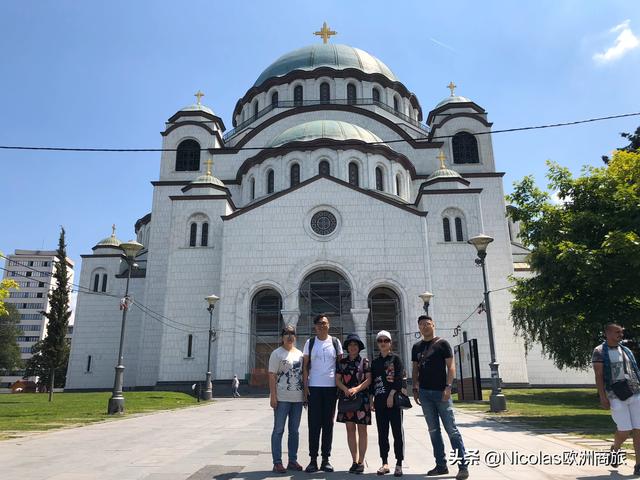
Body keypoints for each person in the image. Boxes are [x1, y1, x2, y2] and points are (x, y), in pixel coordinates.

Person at [412, 315, 468, 480]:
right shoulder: (416, 347)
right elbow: (415, 369)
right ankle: (441, 465)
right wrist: (415, 387)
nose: (424, 327)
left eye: (427, 324)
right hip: (424, 393)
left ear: (433, 325)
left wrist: (448, 387)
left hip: (441, 393)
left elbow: (451, 367)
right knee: (433, 431)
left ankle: (463, 466)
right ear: (419, 328)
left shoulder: (443, 344)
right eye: (421, 324)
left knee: (451, 430)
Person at [593, 323, 640, 475]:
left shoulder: (625, 349)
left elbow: (634, 370)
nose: (620, 334)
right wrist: (602, 396)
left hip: (635, 392)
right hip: (615, 395)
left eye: (621, 332)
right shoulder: (599, 351)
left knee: (638, 429)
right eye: (617, 332)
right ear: (607, 333)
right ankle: (616, 449)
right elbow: (599, 375)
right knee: (625, 430)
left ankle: (638, 464)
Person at [302, 313, 343, 473]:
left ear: (329, 325)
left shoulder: (335, 342)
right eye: (319, 323)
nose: (322, 325)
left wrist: (340, 386)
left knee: (328, 424)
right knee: (314, 424)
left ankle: (326, 459)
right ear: (315, 326)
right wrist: (306, 387)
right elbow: (305, 366)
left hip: (331, 389)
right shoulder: (310, 343)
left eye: (324, 323)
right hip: (314, 388)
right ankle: (313, 460)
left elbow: (340, 364)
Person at [268, 325, 305, 474]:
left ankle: (292, 460)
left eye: (292, 333)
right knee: (278, 430)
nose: (289, 336)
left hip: (298, 399)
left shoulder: (300, 354)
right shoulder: (276, 354)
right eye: (286, 333)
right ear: (282, 336)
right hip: (282, 398)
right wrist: (273, 396)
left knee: (294, 431)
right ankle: (277, 462)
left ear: (295, 336)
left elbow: (304, 374)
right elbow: (271, 375)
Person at [336, 333, 372, 474]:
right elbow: (337, 380)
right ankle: (354, 461)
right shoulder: (342, 363)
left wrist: (356, 388)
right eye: (350, 345)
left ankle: (361, 462)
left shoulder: (365, 362)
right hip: (347, 399)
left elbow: (368, 379)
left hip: (362, 399)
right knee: (350, 430)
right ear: (347, 347)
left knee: (362, 430)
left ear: (359, 347)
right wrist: (345, 389)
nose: (352, 347)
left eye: (355, 345)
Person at [370, 330, 405, 477]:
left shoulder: (396, 359)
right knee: (382, 433)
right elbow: (372, 381)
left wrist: (391, 395)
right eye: (380, 341)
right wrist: (371, 398)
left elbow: (399, 378)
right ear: (378, 343)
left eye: (386, 340)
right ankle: (384, 462)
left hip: (394, 401)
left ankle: (399, 463)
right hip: (379, 402)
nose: (383, 343)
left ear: (390, 343)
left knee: (397, 433)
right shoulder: (375, 362)